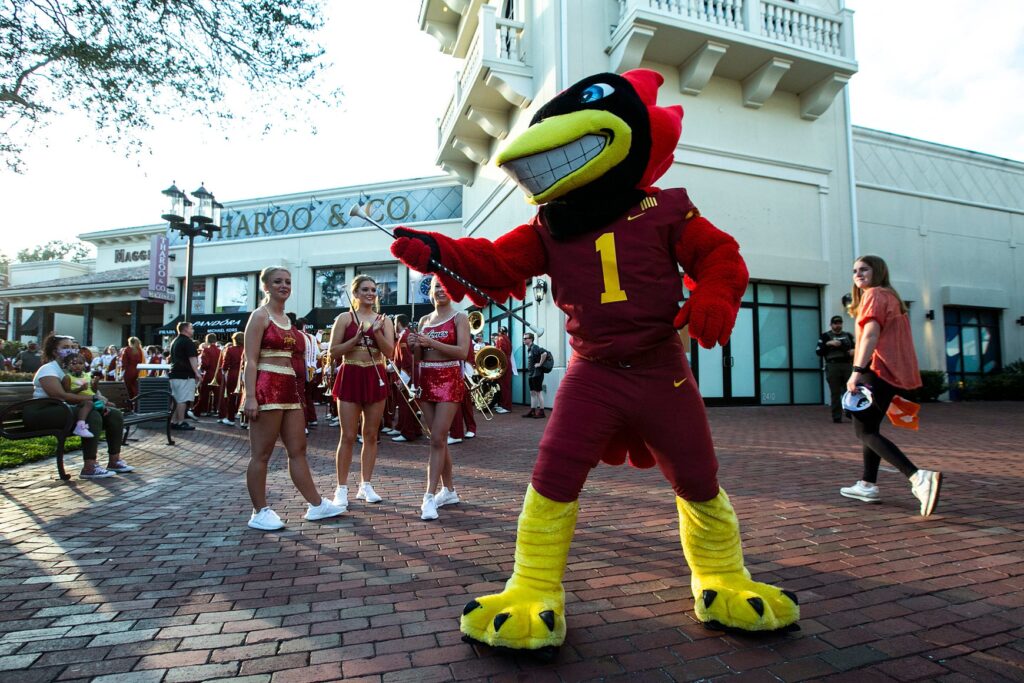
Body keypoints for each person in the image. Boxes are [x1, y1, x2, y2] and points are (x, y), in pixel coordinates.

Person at [243, 266, 344, 530]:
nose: (284, 286)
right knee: (261, 454)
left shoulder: (287, 319)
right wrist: (250, 396)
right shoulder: (259, 316)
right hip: (267, 388)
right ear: (265, 286)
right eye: (277, 281)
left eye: (287, 281)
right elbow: (250, 361)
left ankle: (316, 504)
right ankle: (259, 511)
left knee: (298, 450)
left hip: (290, 389)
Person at [840, 255, 941, 516]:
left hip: (876, 370)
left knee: (864, 432)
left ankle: (918, 477)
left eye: (864, 269)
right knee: (869, 427)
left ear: (878, 272)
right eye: (855, 271)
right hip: (889, 371)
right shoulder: (891, 297)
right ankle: (867, 484)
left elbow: (871, 334)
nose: (858, 274)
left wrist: (856, 372)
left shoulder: (874, 295)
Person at [328, 275, 396, 510]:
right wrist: (356, 339)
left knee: (370, 434)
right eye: (365, 289)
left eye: (373, 290)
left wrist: (376, 333)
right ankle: (341, 487)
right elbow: (333, 352)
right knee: (347, 436)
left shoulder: (384, 320)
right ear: (355, 293)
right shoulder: (345, 318)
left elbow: (391, 353)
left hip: (374, 376)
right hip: (350, 375)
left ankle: (365, 484)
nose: (370, 293)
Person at [24, 333, 133, 478]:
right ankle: (89, 467)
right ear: (55, 351)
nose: (71, 350)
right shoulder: (48, 369)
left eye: (73, 347)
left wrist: (100, 398)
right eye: (65, 347)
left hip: (66, 409)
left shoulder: (76, 370)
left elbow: (88, 391)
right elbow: (59, 395)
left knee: (114, 414)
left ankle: (115, 461)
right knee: (92, 415)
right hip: (43, 411)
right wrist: (93, 398)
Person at [409, 277, 470, 520]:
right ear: (430, 292)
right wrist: (413, 344)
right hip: (426, 379)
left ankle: (428, 497)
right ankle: (450, 490)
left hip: (449, 378)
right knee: (438, 439)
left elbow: (462, 352)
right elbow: (418, 357)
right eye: (436, 286)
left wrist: (430, 341)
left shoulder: (460, 318)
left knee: (437, 438)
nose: (440, 290)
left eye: (444, 286)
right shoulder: (424, 320)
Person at [390, 314, 424, 443]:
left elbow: (408, 361)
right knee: (410, 404)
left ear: (398, 323)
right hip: (409, 374)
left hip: (408, 375)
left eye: (394, 322)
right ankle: (411, 429)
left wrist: (403, 379)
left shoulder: (404, 337)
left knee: (405, 405)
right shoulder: (406, 335)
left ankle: (407, 432)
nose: (394, 325)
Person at [817, 315, 855, 423]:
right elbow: (819, 351)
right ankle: (837, 416)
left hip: (847, 364)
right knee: (835, 392)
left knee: (850, 391)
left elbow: (855, 348)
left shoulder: (847, 335)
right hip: (833, 365)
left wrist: (853, 351)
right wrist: (828, 343)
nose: (838, 325)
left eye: (839, 323)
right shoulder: (825, 336)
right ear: (831, 324)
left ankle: (850, 413)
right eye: (835, 323)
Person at [168, 322, 202, 430]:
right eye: (191, 328)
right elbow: (192, 358)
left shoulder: (174, 341)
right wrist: (197, 373)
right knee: (182, 399)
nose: (193, 330)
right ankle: (180, 422)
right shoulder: (188, 342)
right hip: (185, 375)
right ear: (185, 329)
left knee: (175, 399)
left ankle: (173, 421)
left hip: (174, 374)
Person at [60, 352, 100, 437]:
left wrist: (95, 383)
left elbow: (93, 390)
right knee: (89, 404)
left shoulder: (87, 375)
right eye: (74, 363)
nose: (77, 366)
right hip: (77, 401)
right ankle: (80, 426)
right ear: (67, 365)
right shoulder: (67, 377)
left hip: (92, 399)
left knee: (110, 405)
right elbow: (67, 393)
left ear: (84, 365)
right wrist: (80, 389)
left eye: (80, 363)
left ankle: (115, 425)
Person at [295, 318, 320, 428]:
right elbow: (318, 355)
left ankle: (303, 423)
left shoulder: (296, 336)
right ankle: (312, 418)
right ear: (305, 325)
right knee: (307, 396)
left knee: (300, 396)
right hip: (311, 370)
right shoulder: (312, 338)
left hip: (299, 369)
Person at [217, 332, 244, 426]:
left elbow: (225, 364)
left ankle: (231, 418)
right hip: (244, 374)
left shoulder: (230, 349)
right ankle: (244, 420)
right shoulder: (247, 349)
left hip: (233, 374)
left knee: (231, 397)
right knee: (244, 397)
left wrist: (223, 370)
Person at [521, 332, 550, 418]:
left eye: (525, 338)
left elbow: (544, 353)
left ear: (530, 339)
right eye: (523, 338)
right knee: (532, 392)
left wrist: (540, 364)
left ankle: (542, 412)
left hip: (537, 374)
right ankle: (533, 410)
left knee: (538, 392)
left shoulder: (535, 347)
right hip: (531, 374)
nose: (524, 340)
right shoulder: (529, 349)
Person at [197, 333, 221, 416]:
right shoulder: (220, 350)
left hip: (209, 374)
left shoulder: (206, 350)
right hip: (218, 374)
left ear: (207, 340)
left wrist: (201, 367)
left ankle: (204, 410)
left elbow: (205, 364)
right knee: (217, 394)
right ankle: (216, 410)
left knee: (204, 393)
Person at [492, 326, 513, 414]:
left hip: (503, 363)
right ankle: (503, 405)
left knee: (504, 386)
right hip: (506, 362)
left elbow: (499, 352)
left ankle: (506, 406)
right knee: (504, 385)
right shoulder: (507, 339)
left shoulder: (500, 338)